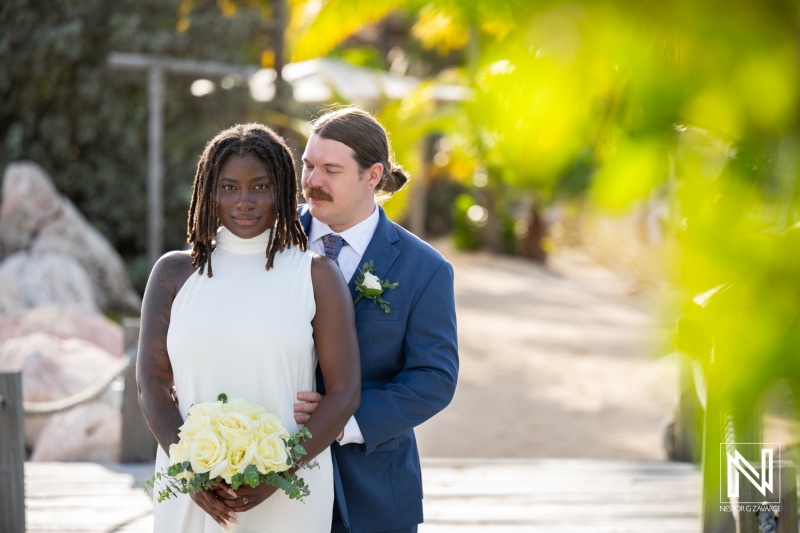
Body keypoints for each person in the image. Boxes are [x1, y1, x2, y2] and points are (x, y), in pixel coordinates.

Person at [137, 123, 360, 532]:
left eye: (260, 187)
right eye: (228, 188)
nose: (244, 201)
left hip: (289, 487)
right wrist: (188, 470)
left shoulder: (316, 276)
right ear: (208, 191)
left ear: (283, 191)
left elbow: (345, 391)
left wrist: (279, 470)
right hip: (193, 489)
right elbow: (150, 382)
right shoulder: (173, 274)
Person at [293, 107, 459, 533]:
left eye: (331, 169)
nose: (312, 180)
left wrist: (340, 422)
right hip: (267, 480)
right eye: (308, 165)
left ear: (373, 175)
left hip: (372, 493)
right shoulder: (270, 240)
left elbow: (434, 378)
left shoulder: (425, 269)